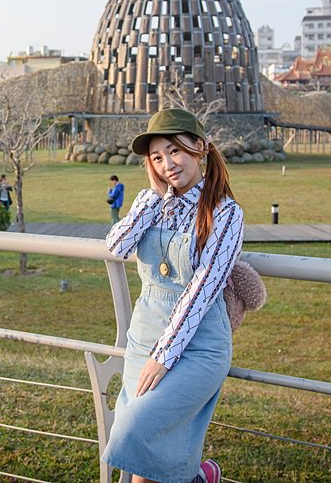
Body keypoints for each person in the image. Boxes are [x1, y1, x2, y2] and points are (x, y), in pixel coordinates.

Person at [102, 109, 243, 483]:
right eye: (157, 157)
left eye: (175, 151)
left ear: (200, 147)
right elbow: (116, 246)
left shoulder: (225, 213)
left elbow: (202, 290)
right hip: (144, 335)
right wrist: (149, 202)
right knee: (142, 466)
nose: (168, 165)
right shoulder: (152, 204)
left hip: (197, 344)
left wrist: (163, 358)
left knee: (135, 431)